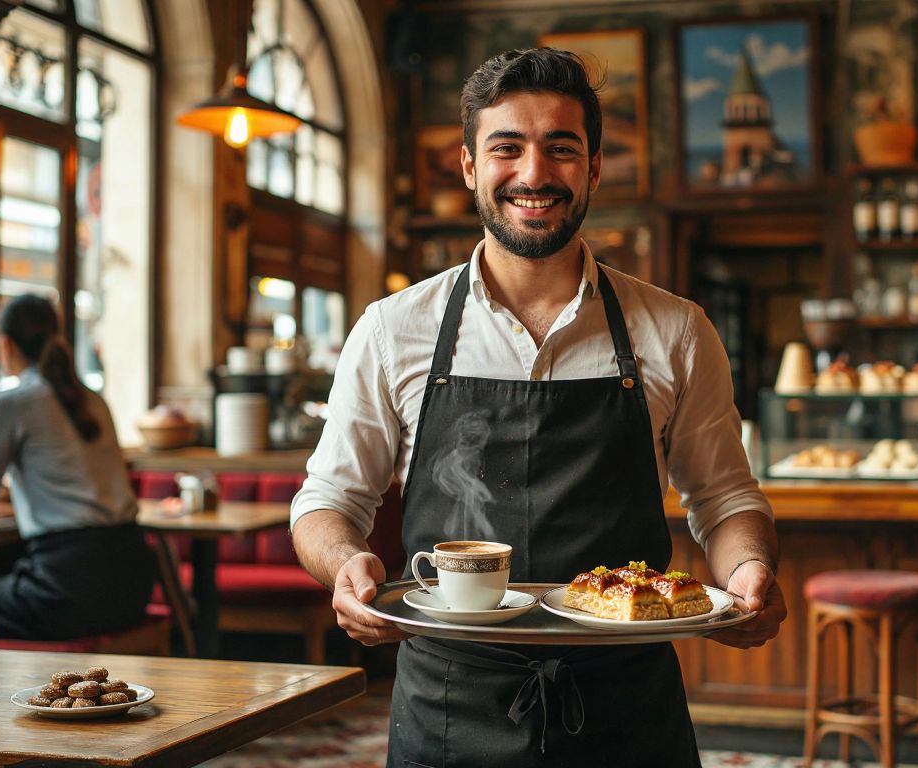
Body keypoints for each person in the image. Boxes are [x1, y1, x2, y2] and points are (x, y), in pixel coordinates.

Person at [291, 47, 786, 766]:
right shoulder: (393, 329)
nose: (533, 174)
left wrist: (747, 572)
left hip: (626, 708)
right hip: (449, 707)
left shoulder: (675, 330)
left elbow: (726, 497)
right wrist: (345, 564)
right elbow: (327, 499)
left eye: (560, 148)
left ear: (593, 167)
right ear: (469, 167)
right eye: (507, 148)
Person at [0, 294, 154, 641]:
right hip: (133, 581)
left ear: (5, 345)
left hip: (70, 587)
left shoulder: (11, 400)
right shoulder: (93, 399)